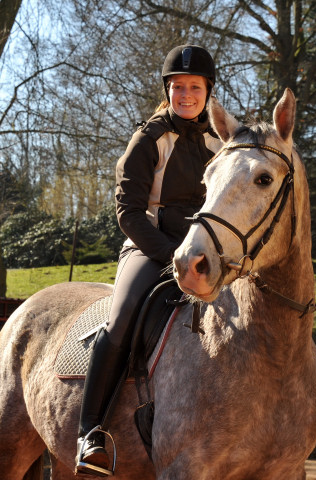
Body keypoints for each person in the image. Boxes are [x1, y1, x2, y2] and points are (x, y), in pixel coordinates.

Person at [75, 44, 223, 476]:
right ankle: (91, 431)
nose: (186, 94)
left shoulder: (221, 141)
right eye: (178, 87)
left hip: (206, 254)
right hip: (149, 247)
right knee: (121, 320)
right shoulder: (149, 137)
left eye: (194, 87)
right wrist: (167, 255)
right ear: (168, 90)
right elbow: (128, 212)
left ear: (208, 90)